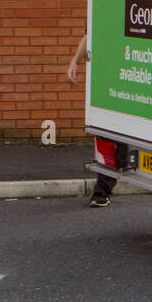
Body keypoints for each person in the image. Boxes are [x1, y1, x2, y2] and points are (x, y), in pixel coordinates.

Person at [67, 33, 115, 207]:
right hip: (109, 83)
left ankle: (102, 191)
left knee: (114, 137)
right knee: (109, 136)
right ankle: (101, 191)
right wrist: (75, 61)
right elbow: (92, 34)